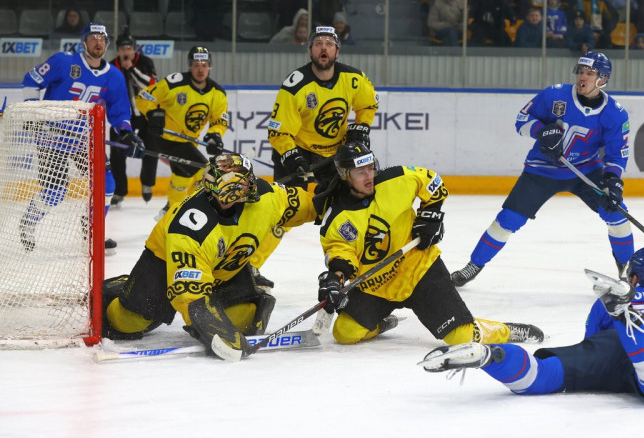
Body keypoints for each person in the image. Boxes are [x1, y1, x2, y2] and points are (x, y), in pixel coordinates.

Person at [421, 248, 644, 404]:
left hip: (608, 344)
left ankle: (491, 356)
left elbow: (590, 342)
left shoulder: (601, 302)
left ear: (633, 278)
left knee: (541, 377)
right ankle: (629, 320)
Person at [315, 141, 544, 346]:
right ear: (345, 175)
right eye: (359, 172)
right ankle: (383, 322)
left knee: (461, 337)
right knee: (345, 333)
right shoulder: (336, 217)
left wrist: (430, 215)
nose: (369, 176)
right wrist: (335, 278)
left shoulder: (397, 179)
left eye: (370, 168)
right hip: (377, 284)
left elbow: (433, 182)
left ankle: (505, 330)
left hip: (420, 270)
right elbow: (341, 253)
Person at [102, 154, 318, 360]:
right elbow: (189, 291)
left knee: (245, 319)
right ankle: (120, 289)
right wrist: (213, 330)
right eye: (238, 184)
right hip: (166, 263)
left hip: (225, 266)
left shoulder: (267, 196)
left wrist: (341, 195)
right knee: (127, 321)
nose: (246, 186)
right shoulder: (190, 224)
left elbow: (311, 205)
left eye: (245, 181)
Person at [450, 52, 633, 287]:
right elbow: (521, 120)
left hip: (585, 171)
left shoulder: (615, 114)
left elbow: (617, 153)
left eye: (590, 73)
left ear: (603, 79)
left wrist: (613, 181)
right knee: (507, 220)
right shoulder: (555, 95)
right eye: (580, 72)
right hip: (542, 169)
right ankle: (473, 265)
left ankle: (626, 273)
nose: (582, 78)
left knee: (618, 215)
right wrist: (541, 131)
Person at [20, 23, 145, 255]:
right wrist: (31, 110)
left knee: (107, 183)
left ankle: (92, 229)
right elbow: (31, 79)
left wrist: (126, 132)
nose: (97, 42)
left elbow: (119, 112)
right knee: (55, 193)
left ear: (106, 44)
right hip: (52, 137)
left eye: (101, 38)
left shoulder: (114, 76)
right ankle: (28, 222)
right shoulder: (64, 61)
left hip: (84, 139)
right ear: (83, 42)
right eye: (93, 37)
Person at [268, 26, 378, 189]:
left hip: (337, 154)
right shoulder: (295, 86)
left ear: (337, 52)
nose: (324, 47)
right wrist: (291, 156)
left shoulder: (354, 79)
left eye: (330, 44)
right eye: (318, 43)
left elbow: (368, 104)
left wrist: (362, 125)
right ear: (310, 51)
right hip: (301, 152)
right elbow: (279, 131)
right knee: (289, 208)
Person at [135, 46, 229, 220]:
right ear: (189, 66)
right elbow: (143, 96)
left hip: (188, 142)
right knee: (205, 172)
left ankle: (170, 211)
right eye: (196, 64)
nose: (200, 69)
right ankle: (207, 213)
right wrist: (152, 113)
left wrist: (215, 135)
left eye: (204, 64)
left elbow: (219, 121)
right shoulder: (174, 83)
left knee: (182, 178)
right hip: (164, 138)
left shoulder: (218, 93)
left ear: (210, 66)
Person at [109, 27, 158, 207]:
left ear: (134, 49)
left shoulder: (145, 62)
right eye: (122, 49)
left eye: (129, 48)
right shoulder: (111, 66)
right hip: (122, 118)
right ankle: (119, 191)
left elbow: (151, 85)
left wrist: (132, 70)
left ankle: (147, 183)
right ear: (118, 50)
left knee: (151, 149)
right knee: (116, 154)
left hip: (146, 115)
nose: (125, 52)